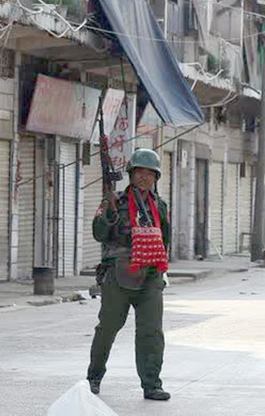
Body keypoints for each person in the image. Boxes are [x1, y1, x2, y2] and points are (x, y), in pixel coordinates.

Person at [86, 148, 172, 401]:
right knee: (107, 328)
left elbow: (165, 239)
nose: (144, 178)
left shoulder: (160, 206)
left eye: (150, 173)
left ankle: (151, 384)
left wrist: (161, 271)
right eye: (139, 172)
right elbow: (99, 234)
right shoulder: (116, 202)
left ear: (156, 177)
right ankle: (94, 377)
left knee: (151, 332)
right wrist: (108, 213)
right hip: (119, 274)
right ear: (131, 175)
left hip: (150, 275)